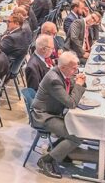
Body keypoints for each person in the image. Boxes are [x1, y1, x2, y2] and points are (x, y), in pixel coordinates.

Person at [32, 51, 87, 179]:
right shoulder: (54, 80)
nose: (76, 70)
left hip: (54, 112)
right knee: (77, 135)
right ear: (63, 67)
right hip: (44, 115)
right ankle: (46, 160)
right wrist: (79, 85)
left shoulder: (62, 74)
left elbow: (72, 90)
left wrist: (79, 83)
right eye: (73, 68)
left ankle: (60, 151)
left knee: (76, 130)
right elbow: (71, 103)